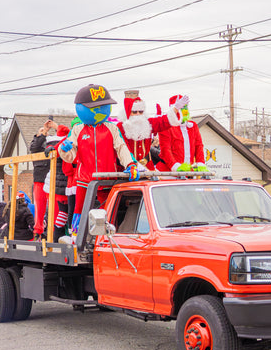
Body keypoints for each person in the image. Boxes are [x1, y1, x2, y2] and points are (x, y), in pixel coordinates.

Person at [58, 84, 141, 235]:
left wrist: (130, 164)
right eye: (95, 107)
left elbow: (121, 147)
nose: (99, 111)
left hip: (108, 177)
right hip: (85, 179)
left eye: (103, 106)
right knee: (80, 210)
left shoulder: (111, 128)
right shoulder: (77, 130)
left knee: (108, 210)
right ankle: (75, 236)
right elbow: (71, 155)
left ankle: (107, 236)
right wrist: (64, 150)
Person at [116, 95, 186, 169]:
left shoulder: (147, 123)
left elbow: (162, 122)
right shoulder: (122, 126)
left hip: (148, 167)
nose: (138, 114)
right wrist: (134, 164)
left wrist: (175, 109)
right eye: (134, 112)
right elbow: (124, 149)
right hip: (128, 168)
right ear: (128, 112)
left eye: (140, 112)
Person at [29, 117, 58, 238]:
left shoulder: (53, 141)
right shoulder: (37, 142)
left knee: (55, 207)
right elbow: (34, 147)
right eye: (41, 131)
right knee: (40, 207)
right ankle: (38, 231)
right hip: (40, 177)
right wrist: (42, 133)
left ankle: (54, 231)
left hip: (53, 177)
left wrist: (56, 128)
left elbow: (63, 139)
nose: (44, 131)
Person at [44, 125, 71, 241]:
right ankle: (68, 235)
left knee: (62, 212)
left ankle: (57, 236)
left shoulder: (52, 145)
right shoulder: (67, 143)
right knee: (70, 212)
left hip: (54, 184)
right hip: (67, 184)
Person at [166, 94, 207, 172]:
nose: (185, 110)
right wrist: (175, 166)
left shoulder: (193, 126)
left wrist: (200, 164)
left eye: (186, 107)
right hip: (170, 172)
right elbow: (166, 150)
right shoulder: (168, 127)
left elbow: (199, 146)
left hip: (189, 171)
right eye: (181, 108)